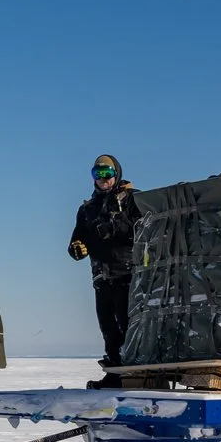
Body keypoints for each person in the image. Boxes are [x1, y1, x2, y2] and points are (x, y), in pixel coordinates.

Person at [67, 154, 142, 369]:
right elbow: (78, 237)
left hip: (129, 274)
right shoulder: (87, 209)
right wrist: (76, 248)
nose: (103, 179)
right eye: (97, 174)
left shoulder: (133, 200)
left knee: (129, 324)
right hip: (101, 277)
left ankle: (134, 370)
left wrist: (117, 226)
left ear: (116, 174)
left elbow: (146, 229)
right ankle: (116, 370)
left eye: (107, 174)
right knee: (108, 328)